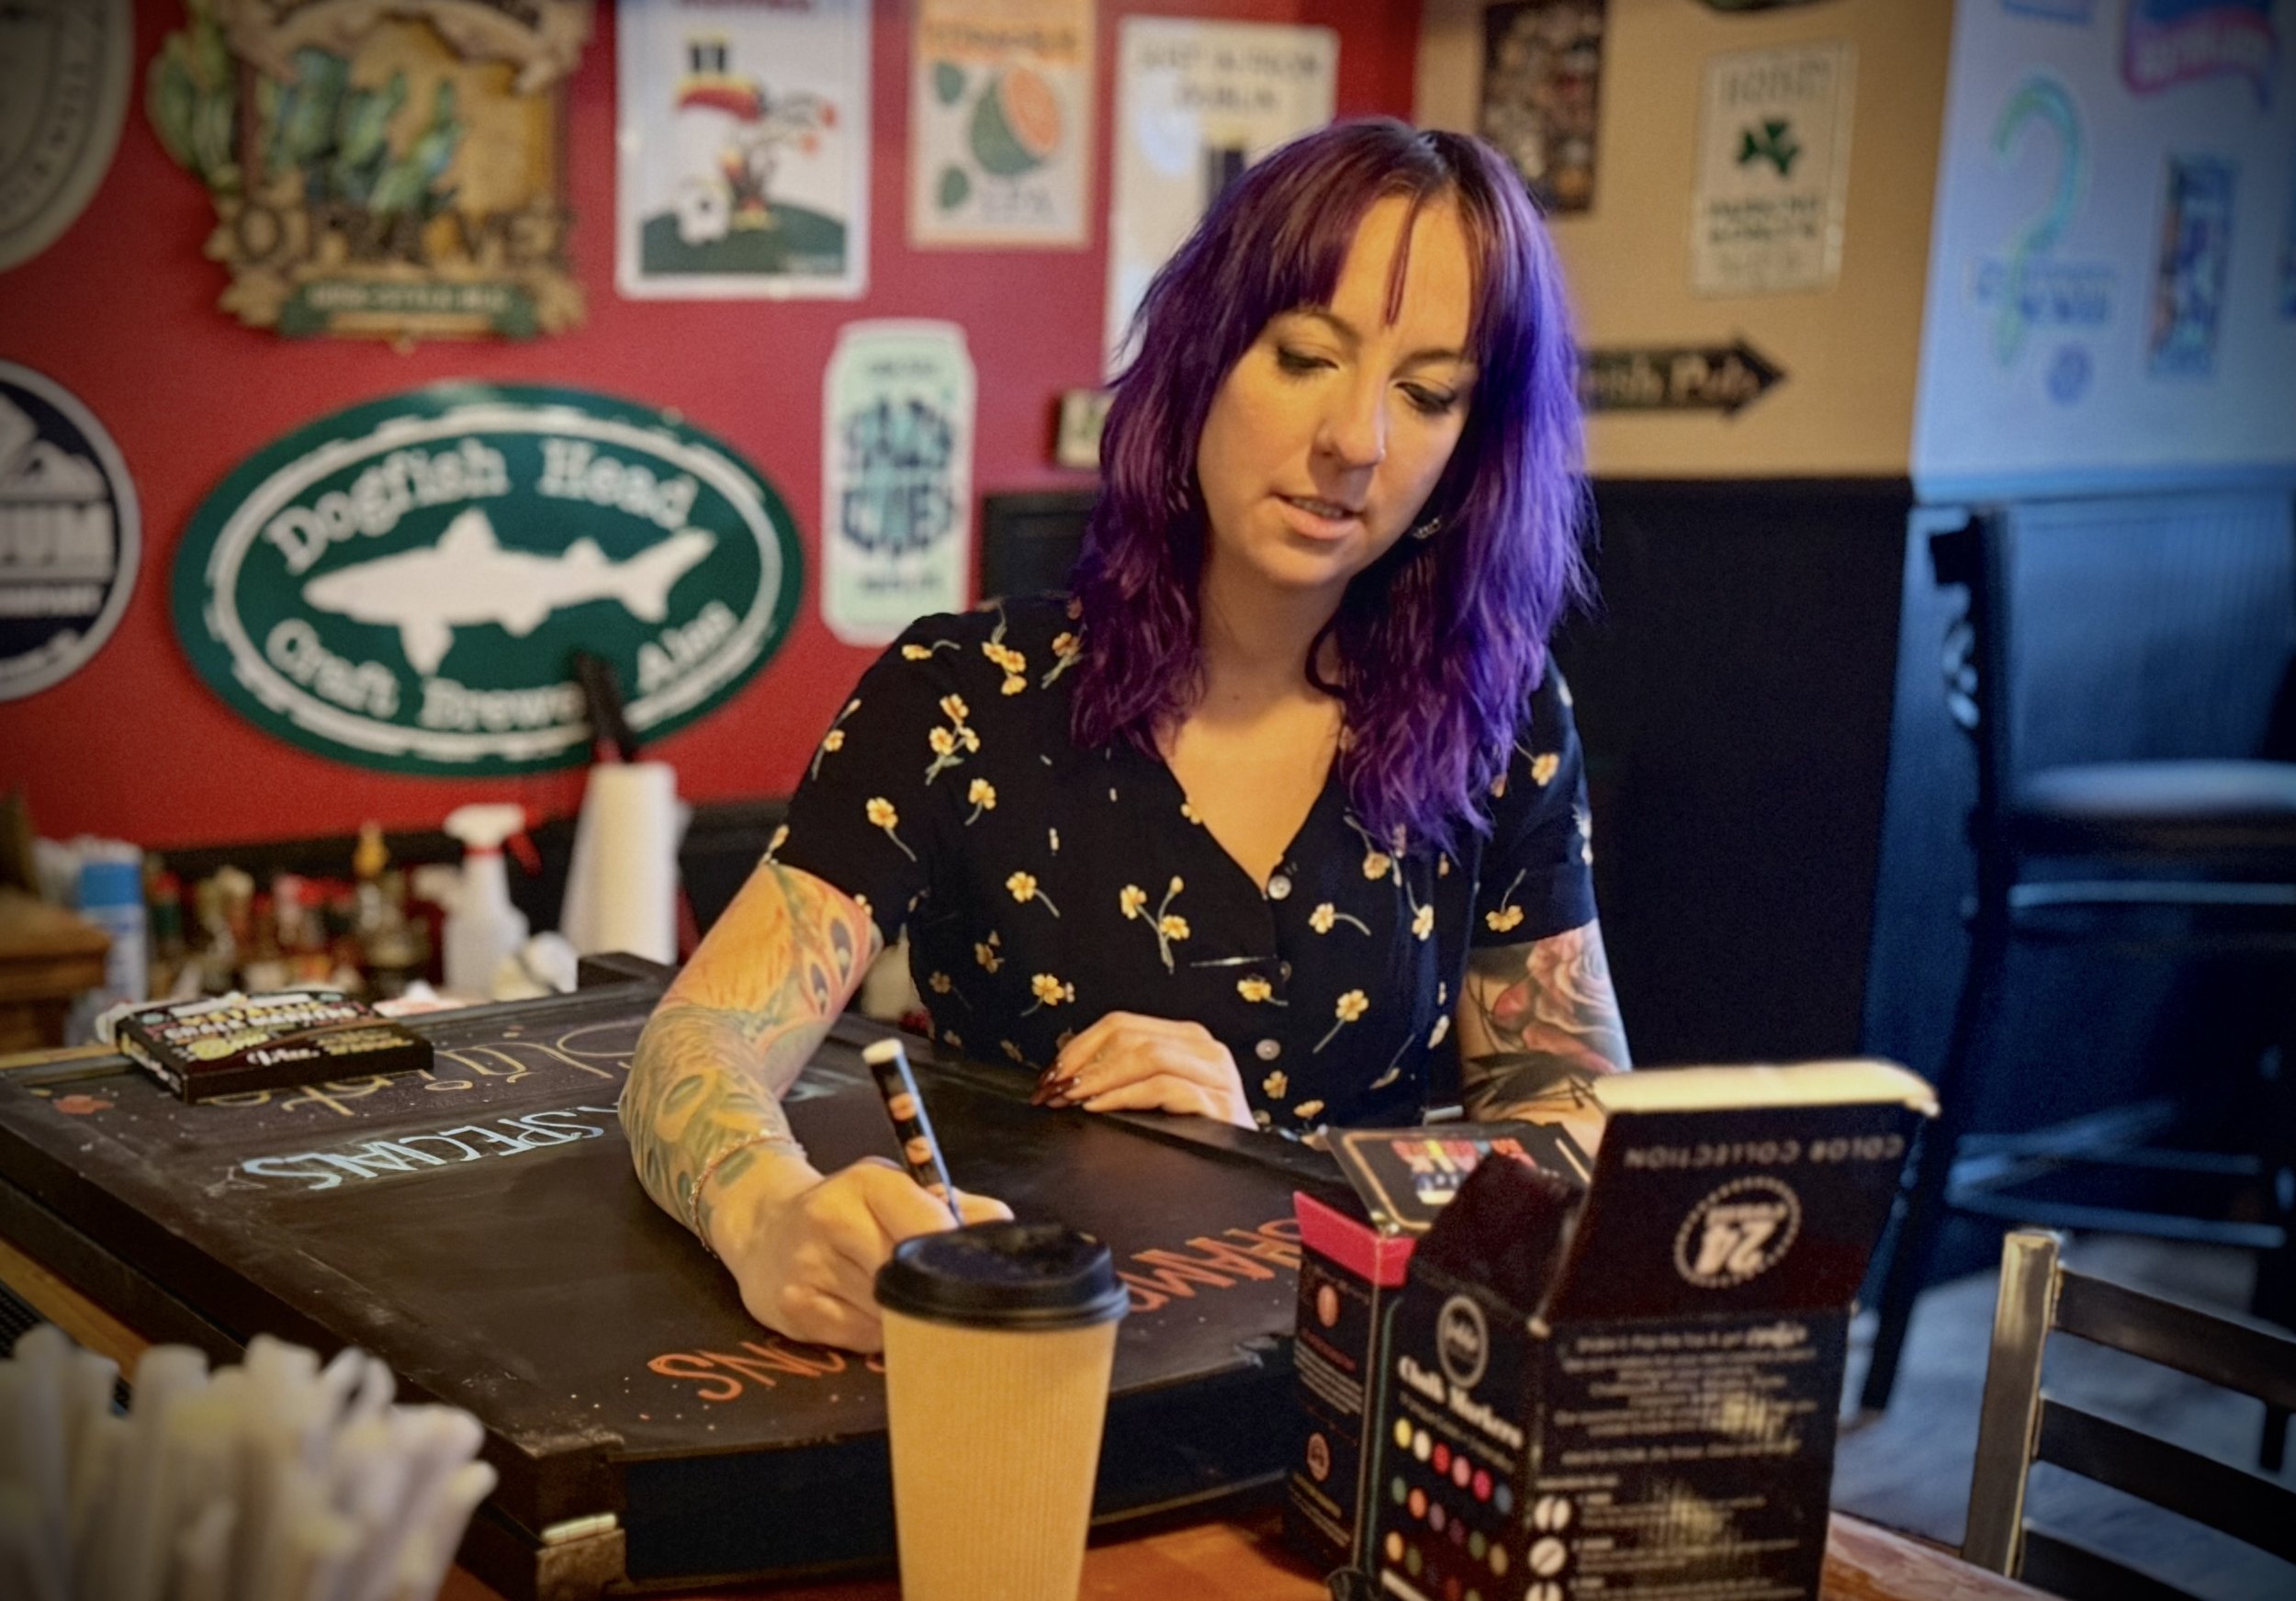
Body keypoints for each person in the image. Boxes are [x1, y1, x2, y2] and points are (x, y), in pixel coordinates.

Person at [621, 118, 1630, 1351]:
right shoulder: (966, 692)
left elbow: (1574, 1131)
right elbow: (701, 1039)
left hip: (1360, 1401)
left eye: (1427, 395)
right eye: (1306, 356)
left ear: (1474, 451)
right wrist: (765, 1213)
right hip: (1018, 1377)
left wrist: (1273, 1156)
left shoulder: (1500, 713)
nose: (1357, 442)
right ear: (1202, 357)